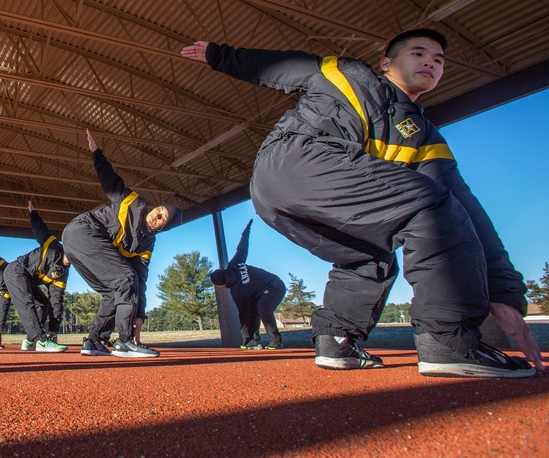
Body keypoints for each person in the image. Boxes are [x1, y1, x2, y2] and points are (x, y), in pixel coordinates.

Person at [181, 30, 542, 377]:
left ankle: (337, 341)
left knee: (370, 253)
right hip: (299, 159)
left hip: (281, 196)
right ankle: (448, 341)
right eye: (418, 53)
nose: (430, 63)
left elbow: (467, 209)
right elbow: (275, 66)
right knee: (431, 203)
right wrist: (216, 53)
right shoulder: (349, 74)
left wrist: (504, 290)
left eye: (438, 60)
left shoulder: (425, 138)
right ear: (385, 63)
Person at [62, 130, 182, 358]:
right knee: (124, 278)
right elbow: (111, 182)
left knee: (116, 289)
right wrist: (96, 152)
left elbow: (141, 281)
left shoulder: (145, 245)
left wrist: (140, 315)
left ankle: (93, 340)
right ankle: (124, 342)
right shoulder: (135, 203)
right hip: (82, 231)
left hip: (81, 244)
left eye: (162, 218)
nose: (157, 215)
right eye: (159, 210)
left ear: (162, 227)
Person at [209, 220, 286, 350]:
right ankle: (253, 341)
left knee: (262, 307)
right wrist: (246, 232)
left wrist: (245, 337)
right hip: (262, 290)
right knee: (253, 309)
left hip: (274, 286)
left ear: (221, 284)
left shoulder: (237, 292)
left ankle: (276, 341)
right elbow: (242, 248)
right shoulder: (234, 263)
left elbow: (243, 316)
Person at [4, 202, 70, 353]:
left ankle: (29, 340)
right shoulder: (52, 245)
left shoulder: (63, 273)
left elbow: (56, 301)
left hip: (30, 280)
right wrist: (33, 214)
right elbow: (40, 229)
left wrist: (54, 331)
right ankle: (41, 340)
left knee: (44, 304)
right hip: (16, 270)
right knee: (28, 302)